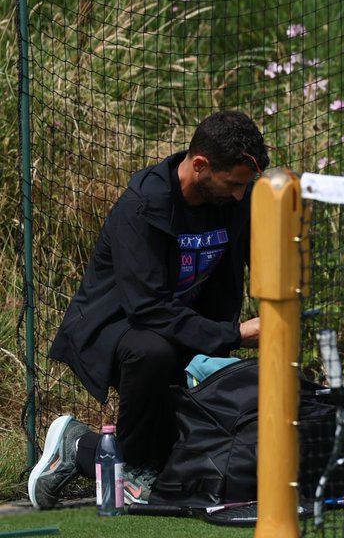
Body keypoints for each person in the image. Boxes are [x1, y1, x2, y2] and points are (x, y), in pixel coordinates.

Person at [28, 111, 269, 509]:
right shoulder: (143, 206)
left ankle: (77, 446)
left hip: (177, 325)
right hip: (119, 327)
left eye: (246, 186)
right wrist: (234, 335)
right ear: (200, 166)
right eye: (235, 184)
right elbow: (148, 308)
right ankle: (133, 469)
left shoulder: (232, 199)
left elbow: (250, 263)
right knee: (154, 350)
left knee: (183, 465)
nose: (241, 195)